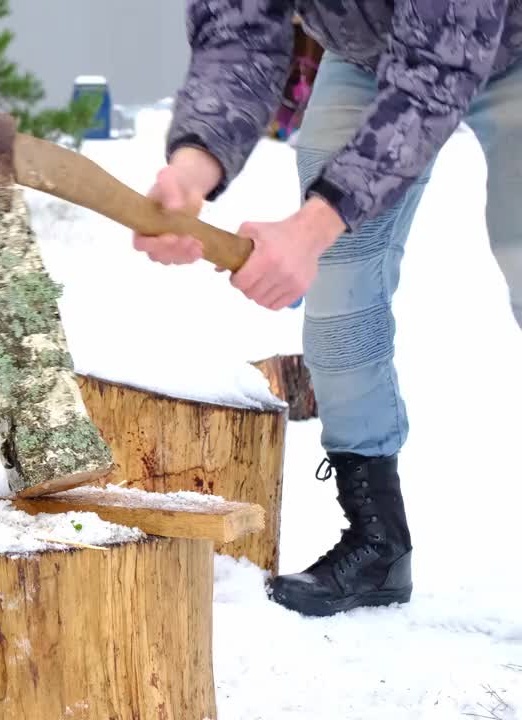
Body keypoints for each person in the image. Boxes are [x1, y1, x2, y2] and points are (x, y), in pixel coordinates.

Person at [133, 1, 522, 618]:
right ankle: (378, 544)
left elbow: (436, 69)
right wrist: (192, 169)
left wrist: (313, 225)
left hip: (500, 44)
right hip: (368, 56)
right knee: (340, 289)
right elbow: (238, 34)